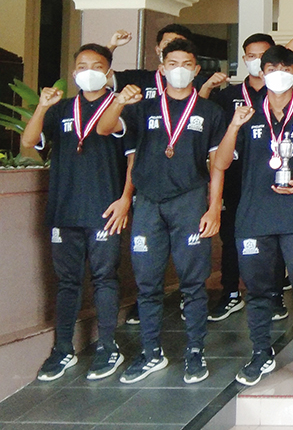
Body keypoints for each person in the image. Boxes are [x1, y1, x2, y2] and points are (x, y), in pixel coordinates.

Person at [96, 39, 225, 385]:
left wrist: (214, 207)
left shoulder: (210, 111)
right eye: (173, 63)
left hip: (190, 200)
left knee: (193, 283)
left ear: (196, 70)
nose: (180, 69)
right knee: (147, 283)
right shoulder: (143, 107)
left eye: (187, 64)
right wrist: (119, 101)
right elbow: (105, 129)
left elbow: (217, 165)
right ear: (163, 68)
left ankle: (195, 351)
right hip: (149, 203)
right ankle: (151, 352)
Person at [214, 45, 293, 386]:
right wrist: (233, 127)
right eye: (271, 69)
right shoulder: (246, 114)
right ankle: (260, 353)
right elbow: (220, 162)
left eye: (285, 69)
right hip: (254, 216)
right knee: (257, 290)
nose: (277, 75)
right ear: (261, 73)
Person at [26, 45, 134, 382]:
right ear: (74, 72)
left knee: (105, 277)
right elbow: (29, 141)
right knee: (67, 282)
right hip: (65, 208)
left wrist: (125, 199)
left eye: (97, 66)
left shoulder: (121, 106)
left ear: (108, 72)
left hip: (104, 208)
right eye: (82, 65)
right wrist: (42, 106)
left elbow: (133, 157)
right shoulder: (61, 109)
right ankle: (63, 349)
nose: (88, 71)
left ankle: (108, 346)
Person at [207, 33, 276, 323]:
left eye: (263, 55)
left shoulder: (281, 93)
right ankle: (231, 293)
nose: (257, 60)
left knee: (273, 237)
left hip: (271, 176)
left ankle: (274, 295)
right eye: (251, 55)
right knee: (233, 236)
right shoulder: (227, 96)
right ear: (244, 58)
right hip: (235, 176)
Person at [108, 24, 220, 100]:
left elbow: (203, 112)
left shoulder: (202, 83)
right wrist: (111, 46)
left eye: (178, 43)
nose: (172, 47)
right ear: (158, 50)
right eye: (167, 43)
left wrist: (206, 89)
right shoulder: (139, 78)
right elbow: (101, 78)